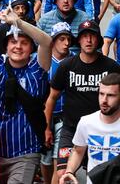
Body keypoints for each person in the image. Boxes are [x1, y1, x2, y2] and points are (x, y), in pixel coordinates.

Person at [0, 8, 52, 184]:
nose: (18, 46)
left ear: (31, 47)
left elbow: (47, 42)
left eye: (24, 43)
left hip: (26, 151)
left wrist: (17, 22)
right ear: (6, 46)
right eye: (13, 42)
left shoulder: (37, 68)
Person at [45, 20, 120, 180]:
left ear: (98, 40)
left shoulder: (111, 67)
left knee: (97, 174)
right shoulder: (66, 66)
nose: (88, 40)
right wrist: (47, 128)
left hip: (100, 130)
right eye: (84, 36)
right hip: (71, 128)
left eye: (92, 36)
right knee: (62, 173)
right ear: (78, 40)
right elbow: (51, 98)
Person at [59, 73, 120, 184]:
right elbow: (78, 151)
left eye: (111, 95)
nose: (104, 100)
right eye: (101, 94)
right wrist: (69, 172)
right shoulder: (86, 122)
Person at [41, 22, 74, 184]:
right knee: (45, 160)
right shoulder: (41, 61)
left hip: (64, 118)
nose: (67, 43)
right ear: (53, 41)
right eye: (62, 39)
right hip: (44, 116)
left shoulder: (74, 61)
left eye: (68, 39)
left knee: (59, 161)